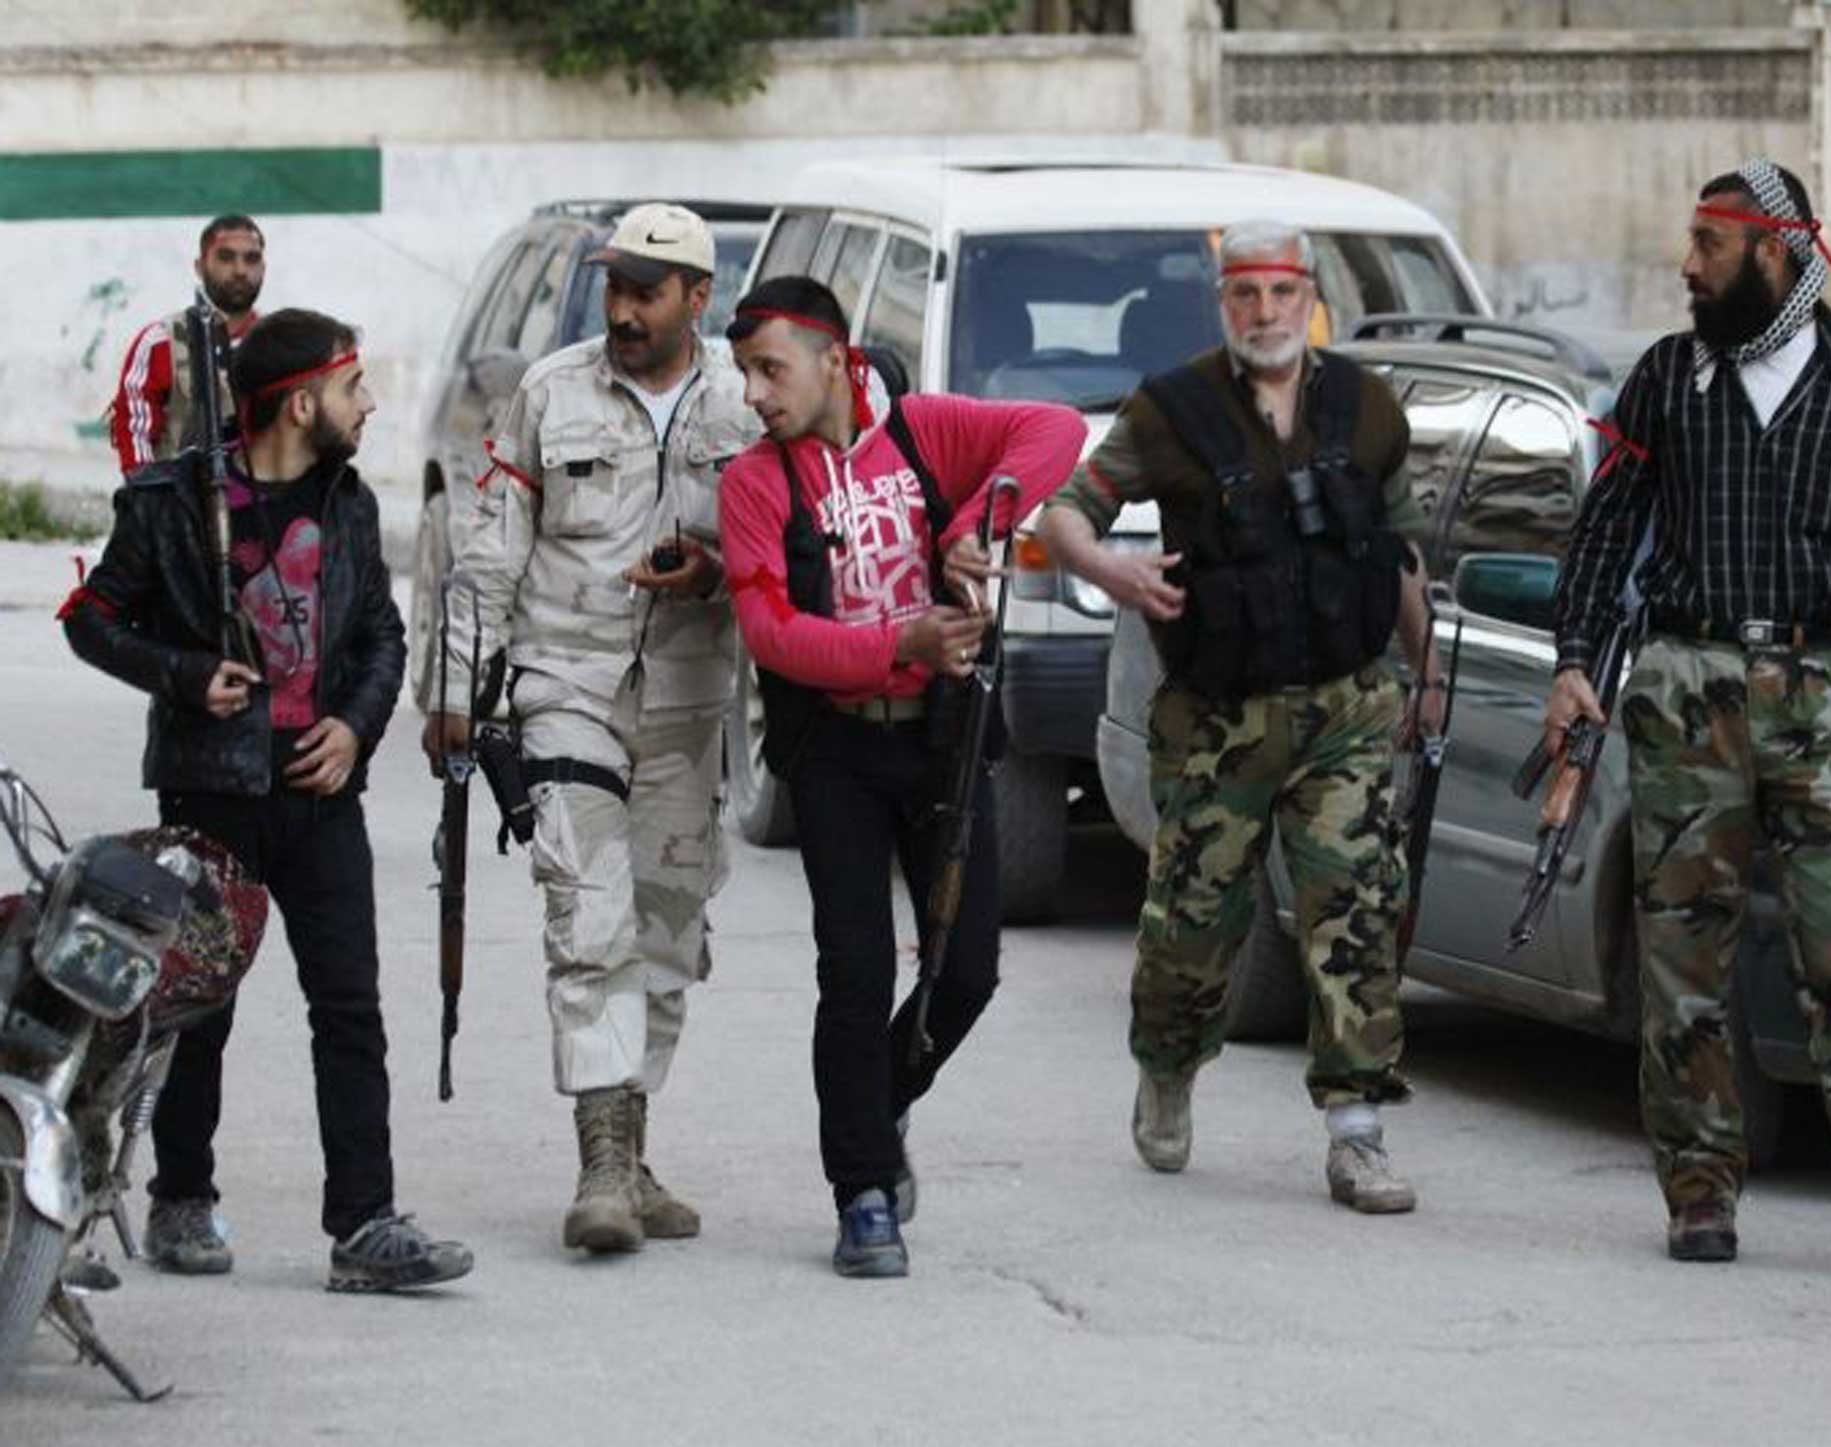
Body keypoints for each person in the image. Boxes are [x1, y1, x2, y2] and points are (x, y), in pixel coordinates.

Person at [1545, 159, 1831, 1273]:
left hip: (1820, 697)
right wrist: (1569, 661)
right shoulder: (1663, 379)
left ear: (1770, 253)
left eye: (1705, 245)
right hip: (1685, 690)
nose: (1684, 266)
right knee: (1680, 960)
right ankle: (1698, 1195)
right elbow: (1603, 534)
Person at [1034, 220, 1444, 1214]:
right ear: (1222, 303)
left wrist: (1424, 672)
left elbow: (1399, 554)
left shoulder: (1364, 405)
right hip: (1217, 718)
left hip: (1346, 704)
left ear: (1309, 297)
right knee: (1193, 922)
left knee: (1350, 907)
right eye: (1244, 295)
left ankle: (1356, 1130)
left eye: (1281, 293)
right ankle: (1168, 1065)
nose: (1264, 313)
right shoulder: (1171, 410)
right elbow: (1062, 511)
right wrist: (1111, 570)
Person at [63, 308, 471, 1293]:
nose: (367, 404)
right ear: (300, 401)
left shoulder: (348, 504)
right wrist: (185, 673)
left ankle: (364, 1224)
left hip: (320, 794)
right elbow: (91, 621)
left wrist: (354, 729)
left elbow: (378, 638)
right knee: (194, 1011)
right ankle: (180, 1199)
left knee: (349, 1008)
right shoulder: (169, 502)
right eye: (352, 386)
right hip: (211, 793)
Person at [719, 275, 1084, 1278]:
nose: (753, 394)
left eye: (769, 370)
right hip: (834, 751)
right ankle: (863, 1191)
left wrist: (975, 523)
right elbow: (773, 634)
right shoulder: (756, 479)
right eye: (744, 373)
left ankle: (872, 1106)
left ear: (833, 360)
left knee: (966, 969)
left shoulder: (920, 429)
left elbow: (1054, 430)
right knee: (853, 972)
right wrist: (903, 638)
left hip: (944, 740)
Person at [426, 204, 755, 1255]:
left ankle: (636, 1138)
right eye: (613, 286)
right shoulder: (548, 391)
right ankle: (600, 1165)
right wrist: (454, 691)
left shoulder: (745, 401)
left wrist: (715, 571)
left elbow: (774, 546)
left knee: (665, 928)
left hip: (688, 694)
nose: (621, 308)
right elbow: (488, 552)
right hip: (566, 684)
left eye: (645, 292)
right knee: (588, 916)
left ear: (696, 299)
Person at [109, 213, 266, 478]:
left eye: (251, 259)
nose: (240, 270)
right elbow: (134, 435)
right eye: (226, 257)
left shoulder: (279, 343)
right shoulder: (162, 343)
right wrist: (155, 503)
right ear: (199, 266)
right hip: (183, 504)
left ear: (263, 267)